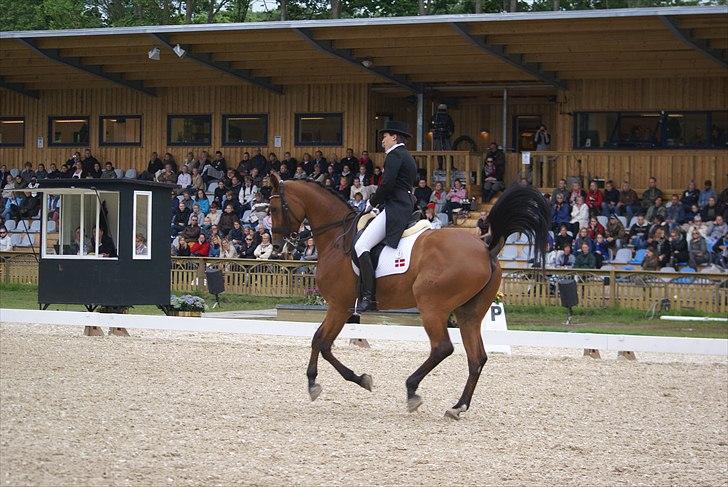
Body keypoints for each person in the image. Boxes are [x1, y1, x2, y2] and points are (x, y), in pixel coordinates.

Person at [354, 121, 418, 313]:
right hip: (402, 203)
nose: (382, 141)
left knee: (361, 245)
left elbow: (387, 184)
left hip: (395, 207)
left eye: (385, 137)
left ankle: (367, 296)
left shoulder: (394, 155)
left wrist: (371, 203)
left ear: (394, 137)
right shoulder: (407, 156)